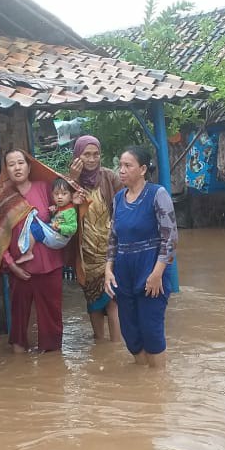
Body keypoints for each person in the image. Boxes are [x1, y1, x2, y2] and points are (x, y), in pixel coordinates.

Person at [104, 145, 178, 369]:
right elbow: (113, 237)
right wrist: (108, 269)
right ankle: (143, 382)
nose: (121, 170)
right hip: (123, 272)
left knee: (151, 330)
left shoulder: (158, 194)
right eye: (120, 165)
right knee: (130, 332)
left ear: (143, 169)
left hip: (150, 270)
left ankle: (157, 386)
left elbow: (170, 238)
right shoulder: (118, 199)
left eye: (128, 165)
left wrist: (157, 274)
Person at [0, 149, 66, 353]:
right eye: (11, 164)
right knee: (19, 322)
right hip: (20, 270)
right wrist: (11, 266)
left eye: (21, 163)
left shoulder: (44, 188)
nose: (17, 167)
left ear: (29, 166)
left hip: (50, 265)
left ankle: (53, 372)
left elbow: (64, 213)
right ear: (6, 170)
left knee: (52, 321)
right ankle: (19, 362)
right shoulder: (3, 199)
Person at [66, 135, 121, 342]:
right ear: (77, 156)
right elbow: (62, 214)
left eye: (95, 154)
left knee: (113, 300)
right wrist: (72, 180)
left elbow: (122, 207)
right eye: (86, 154)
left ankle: (116, 346)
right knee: (93, 302)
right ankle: (100, 344)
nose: (91, 159)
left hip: (109, 249)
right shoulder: (68, 181)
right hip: (85, 251)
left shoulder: (109, 177)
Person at [16, 178, 78, 263]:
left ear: (71, 196)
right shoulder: (61, 208)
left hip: (59, 237)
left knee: (33, 229)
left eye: (64, 194)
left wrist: (60, 228)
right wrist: (53, 213)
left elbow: (73, 228)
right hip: (55, 235)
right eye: (56, 194)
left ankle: (28, 253)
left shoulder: (70, 211)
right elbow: (58, 219)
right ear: (52, 196)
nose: (60, 197)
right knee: (35, 226)